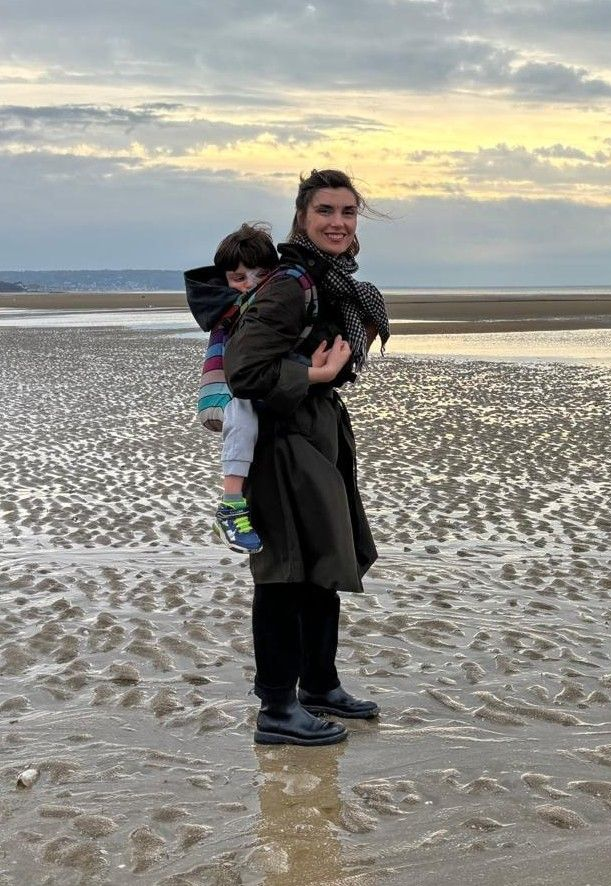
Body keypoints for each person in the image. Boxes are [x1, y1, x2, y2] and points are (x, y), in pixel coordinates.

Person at [224, 169, 390, 746]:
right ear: (303, 217)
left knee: (323, 563)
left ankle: (319, 684)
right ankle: (276, 708)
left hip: (319, 430)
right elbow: (245, 372)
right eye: (326, 211)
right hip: (282, 442)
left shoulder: (332, 282)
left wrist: (326, 374)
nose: (338, 223)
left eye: (348, 212)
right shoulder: (289, 283)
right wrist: (314, 372)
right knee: (284, 573)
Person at [184, 223, 278, 554]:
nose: (249, 285)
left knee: (251, 423)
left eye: (260, 275)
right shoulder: (230, 307)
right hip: (222, 393)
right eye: (239, 278)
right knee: (242, 416)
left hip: (243, 389)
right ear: (224, 279)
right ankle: (230, 504)